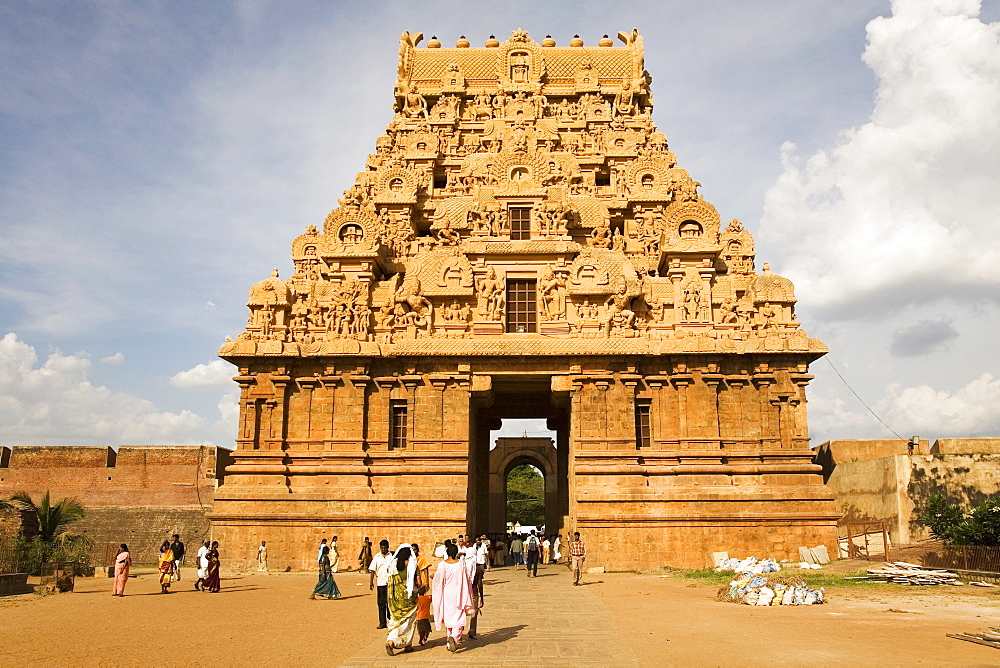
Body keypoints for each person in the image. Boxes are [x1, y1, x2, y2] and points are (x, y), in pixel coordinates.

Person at [432, 542, 475, 653]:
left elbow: (438, 580)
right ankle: (455, 637)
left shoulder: (442, 565)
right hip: (459, 593)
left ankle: (449, 639)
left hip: (447, 594)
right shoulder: (461, 564)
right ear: (456, 553)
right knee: (458, 616)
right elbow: (468, 578)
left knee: (449, 617)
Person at [384, 544, 418, 656]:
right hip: (408, 598)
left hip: (395, 598)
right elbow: (417, 582)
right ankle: (407, 644)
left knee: (395, 620)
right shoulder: (412, 565)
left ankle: (391, 640)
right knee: (409, 620)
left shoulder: (392, 564)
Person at [369, 540, 392, 629]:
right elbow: (372, 570)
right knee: (381, 604)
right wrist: (371, 582)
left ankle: (391, 621)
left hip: (390, 583)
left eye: (385, 548)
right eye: (382, 548)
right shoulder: (377, 557)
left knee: (390, 603)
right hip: (381, 583)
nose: (383, 549)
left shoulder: (392, 556)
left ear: (388, 547)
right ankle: (382, 623)